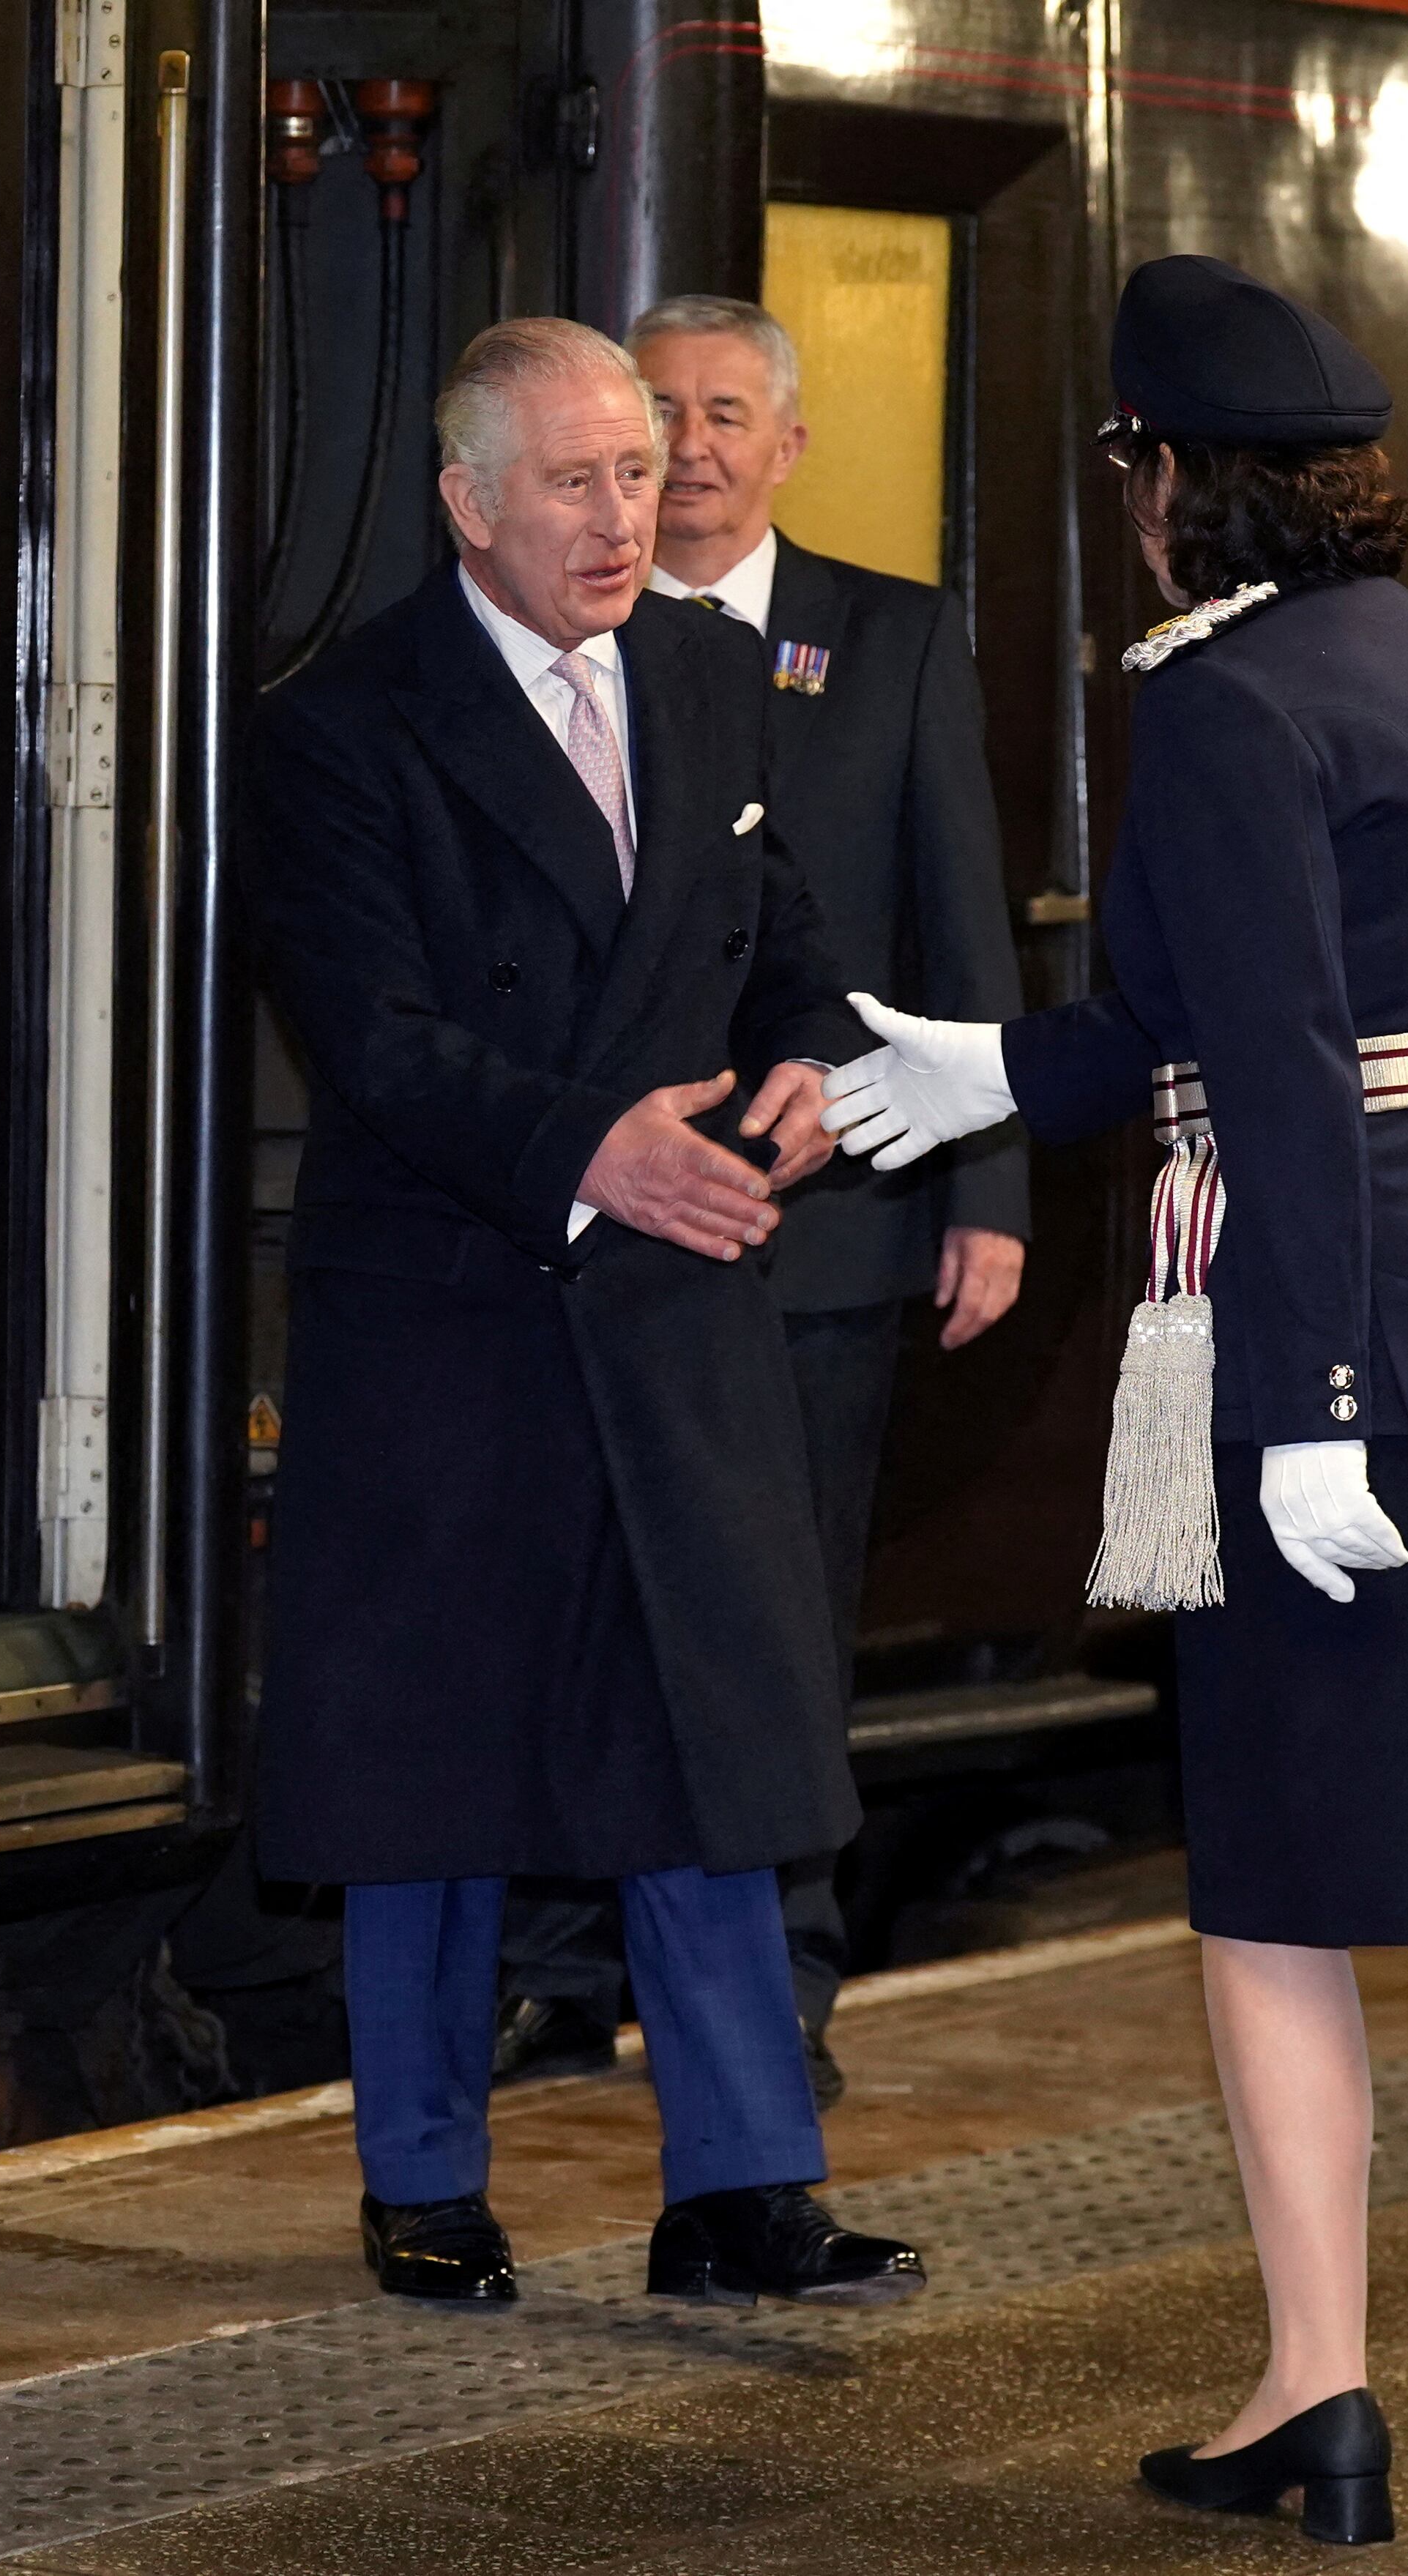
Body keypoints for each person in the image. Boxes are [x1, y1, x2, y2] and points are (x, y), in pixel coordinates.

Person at [819, 256, 1408, 2546]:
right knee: (1371, 1876)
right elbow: (1251, 1021)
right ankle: (1359, 2386)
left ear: (1172, 478)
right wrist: (994, 1068)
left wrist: (1316, 1402)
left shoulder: (1224, 698)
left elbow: (1278, 1065)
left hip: (1328, 1344)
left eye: (1131, 466)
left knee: (1406, 1899)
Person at [256, 315, 925, 2315]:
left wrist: (815, 1063)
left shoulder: (709, 678)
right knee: (432, 1767)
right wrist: (588, 1148)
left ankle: (742, 2184)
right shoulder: (343, 721)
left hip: (673, 1296)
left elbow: (784, 941)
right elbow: (374, 1037)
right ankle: (423, 2177)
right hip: (456, 1305)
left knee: (707, 1745)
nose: (629, 513)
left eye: (638, 472)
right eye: (576, 481)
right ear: (467, 502)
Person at [487, 293, 1031, 2107]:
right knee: (583, 1586)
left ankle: (783, 1979)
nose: (692, 447)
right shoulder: (558, 635)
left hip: (828, 1211)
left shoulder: (891, 636)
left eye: (726, 414)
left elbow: (957, 918)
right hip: (598, 1210)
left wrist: (988, 1186)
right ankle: (563, 1970)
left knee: (782, 1615)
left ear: (788, 445)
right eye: (660, 415)